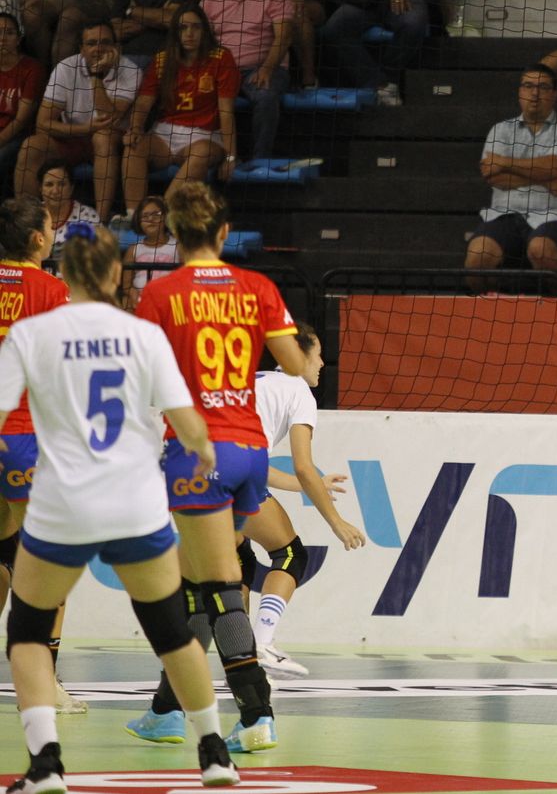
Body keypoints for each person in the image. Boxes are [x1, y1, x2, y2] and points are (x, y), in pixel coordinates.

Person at [0, 221, 240, 791]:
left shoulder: (32, 335)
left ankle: (46, 764)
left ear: (62, 272)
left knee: (27, 630)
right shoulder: (143, 336)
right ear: (116, 273)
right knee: (169, 628)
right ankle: (213, 752)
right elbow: (187, 425)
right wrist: (205, 454)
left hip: (64, 505)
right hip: (135, 505)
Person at [125, 181, 307, 755]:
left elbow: (141, 379)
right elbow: (296, 364)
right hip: (250, 448)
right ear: (225, 233)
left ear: (174, 236)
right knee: (196, 583)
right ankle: (165, 709)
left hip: (198, 449)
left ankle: (255, 713)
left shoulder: (160, 294)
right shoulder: (257, 287)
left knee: (219, 588)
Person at [241, 322, 366, 678]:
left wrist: (309, 485)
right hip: (237, 473)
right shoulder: (298, 392)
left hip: (198, 470)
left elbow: (262, 466)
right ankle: (261, 645)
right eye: (319, 354)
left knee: (238, 563)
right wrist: (336, 523)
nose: (323, 363)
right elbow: (303, 464)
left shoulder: (259, 380)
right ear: (300, 355)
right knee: (291, 553)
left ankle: (241, 655)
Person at [0, 196, 79, 715]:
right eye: (50, 226)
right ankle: (45, 683)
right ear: (37, 239)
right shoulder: (51, 290)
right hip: (26, 436)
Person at [464, 65, 557, 280]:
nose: (535, 93)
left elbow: (554, 166)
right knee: (477, 256)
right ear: (520, 92)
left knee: (541, 249)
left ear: (555, 95)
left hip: (554, 216)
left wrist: (503, 162)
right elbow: (493, 176)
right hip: (504, 215)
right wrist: (546, 180)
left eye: (543, 87)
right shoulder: (500, 129)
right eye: (528, 86)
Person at [120, 7, 240, 214]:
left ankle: (159, 214)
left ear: (205, 31)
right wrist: (135, 128)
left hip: (207, 135)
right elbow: (142, 103)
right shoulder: (162, 61)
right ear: (175, 33)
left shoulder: (221, 58)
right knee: (134, 148)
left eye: (195, 27)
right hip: (165, 133)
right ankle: (134, 215)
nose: (189, 33)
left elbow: (226, 112)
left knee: (201, 154)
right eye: (183, 28)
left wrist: (230, 157)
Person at [16, 22, 140, 219]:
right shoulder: (66, 68)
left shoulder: (130, 70)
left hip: (112, 142)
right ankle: (25, 220)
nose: (98, 48)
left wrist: (96, 76)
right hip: (73, 138)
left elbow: (107, 118)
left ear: (116, 47)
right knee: (31, 146)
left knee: (102, 137)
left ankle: (100, 219)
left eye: (105, 42)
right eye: (91, 43)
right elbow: (43, 123)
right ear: (82, 49)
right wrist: (84, 128)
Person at [201, 0, 292, 161]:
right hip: (222, 70)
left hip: (262, 67)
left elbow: (284, 36)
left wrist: (267, 68)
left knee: (266, 96)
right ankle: (214, 160)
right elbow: (203, 42)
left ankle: (260, 161)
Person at [0, 13, 42, 191]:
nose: (2, 38)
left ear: (18, 39)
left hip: (18, 136)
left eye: (9, 33)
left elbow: (21, 120)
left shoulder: (32, 69)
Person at [121, 194, 178, 310]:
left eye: (156, 215)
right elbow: (126, 285)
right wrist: (133, 295)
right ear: (139, 221)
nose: (150, 219)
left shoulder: (177, 246)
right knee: (125, 302)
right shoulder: (134, 250)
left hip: (170, 299)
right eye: (145, 216)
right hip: (141, 300)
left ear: (165, 217)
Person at [36, 160, 100, 257]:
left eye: (61, 184)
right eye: (49, 184)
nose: (55, 191)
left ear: (71, 188)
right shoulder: (31, 215)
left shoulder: (88, 218)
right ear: (40, 189)